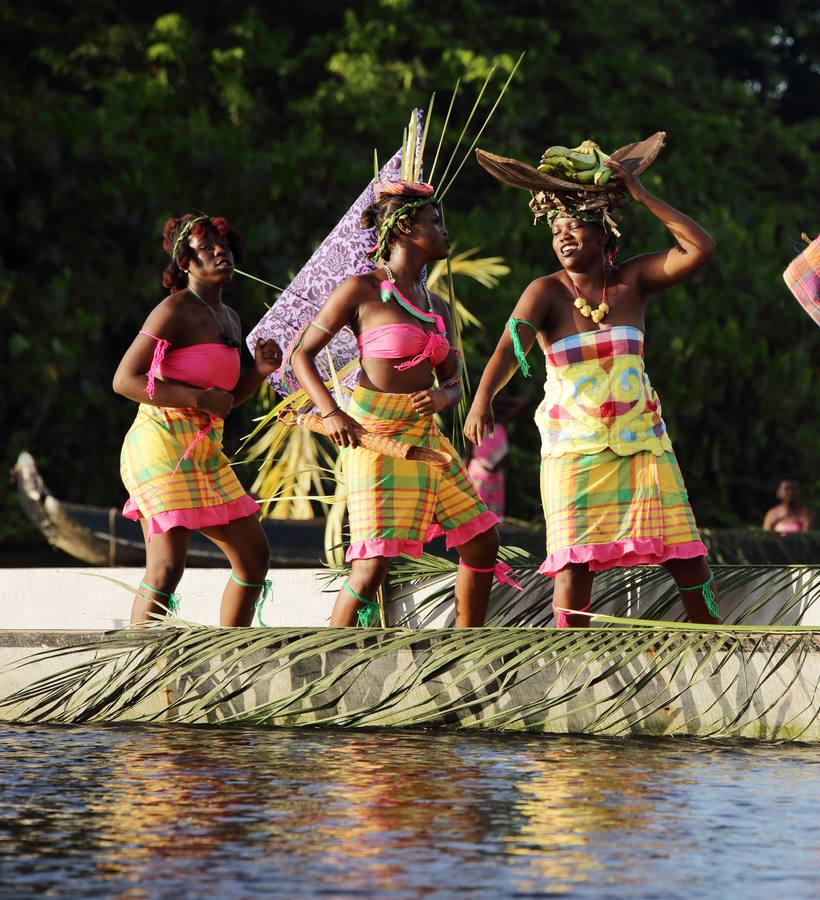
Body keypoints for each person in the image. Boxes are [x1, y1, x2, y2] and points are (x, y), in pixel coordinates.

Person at [465, 159, 720, 628]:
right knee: (573, 565)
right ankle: (568, 662)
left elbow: (700, 247)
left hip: (643, 443)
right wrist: (482, 400)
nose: (563, 236)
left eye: (576, 227)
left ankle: (714, 642)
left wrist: (641, 194)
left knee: (685, 555)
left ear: (604, 234)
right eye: (556, 229)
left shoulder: (634, 280)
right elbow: (508, 347)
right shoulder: (544, 292)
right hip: (572, 449)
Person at [291, 180, 507, 627]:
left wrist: (442, 396)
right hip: (374, 438)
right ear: (406, 227)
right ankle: (333, 652)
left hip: (423, 439)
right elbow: (301, 355)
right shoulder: (361, 290)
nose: (446, 232)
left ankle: (468, 644)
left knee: (483, 538)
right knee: (372, 564)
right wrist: (331, 412)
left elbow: (454, 382)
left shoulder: (438, 306)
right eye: (435, 222)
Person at [112, 214, 281, 626]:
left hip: (204, 450)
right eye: (208, 249)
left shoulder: (231, 318)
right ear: (186, 262)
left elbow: (223, 402)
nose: (221, 253)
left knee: (253, 556)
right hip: (160, 442)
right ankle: (141, 664)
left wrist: (257, 371)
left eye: (224, 247)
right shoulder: (173, 310)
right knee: (167, 565)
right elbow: (124, 380)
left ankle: (231, 653)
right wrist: (194, 397)